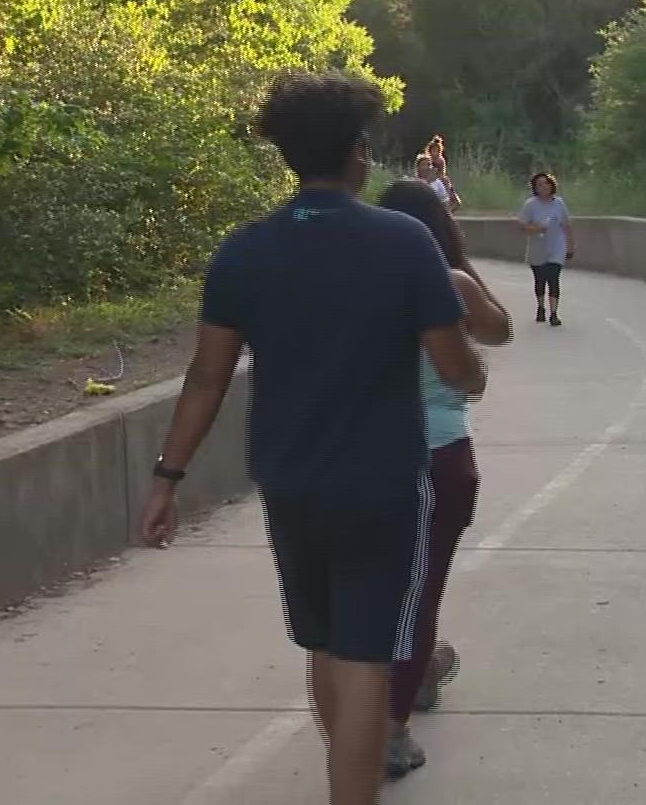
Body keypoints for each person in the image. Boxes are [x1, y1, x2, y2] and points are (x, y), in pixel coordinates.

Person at [137, 70, 486, 805]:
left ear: (290, 155)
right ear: (359, 151)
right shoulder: (404, 243)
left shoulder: (243, 251)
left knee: (324, 645)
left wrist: (168, 478)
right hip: (384, 482)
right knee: (366, 657)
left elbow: (205, 379)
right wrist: (476, 371)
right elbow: (457, 366)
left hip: (291, 483)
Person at [374, 177, 512, 779]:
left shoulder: (350, 287)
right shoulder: (448, 284)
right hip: (434, 450)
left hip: (356, 454)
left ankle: (420, 668)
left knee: (376, 583)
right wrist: (460, 264)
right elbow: (499, 330)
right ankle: (389, 724)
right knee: (418, 588)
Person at [518, 171, 572, 326]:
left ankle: (554, 313)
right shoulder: (530, 204)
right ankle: (541, 307)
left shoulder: (559, 203)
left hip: (556, 247)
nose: (544, 187)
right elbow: (522, 225)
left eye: (546, 183)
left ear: (552, 185)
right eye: (539, 185)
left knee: (553, 278)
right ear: (535, 188)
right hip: (538, 248)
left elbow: (567, 225)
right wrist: (535, 228)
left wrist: (570, 245)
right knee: (540, 280)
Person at [423, 136, 463, 213]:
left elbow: (442, 172)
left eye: (436, 150)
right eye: (433, 150)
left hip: (439, 177)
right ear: (429, 150)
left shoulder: (440, 160)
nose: (434, 152)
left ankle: (448, 209)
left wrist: (439, 178)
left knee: (449, 192)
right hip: (429, 178)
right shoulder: (427, 159)